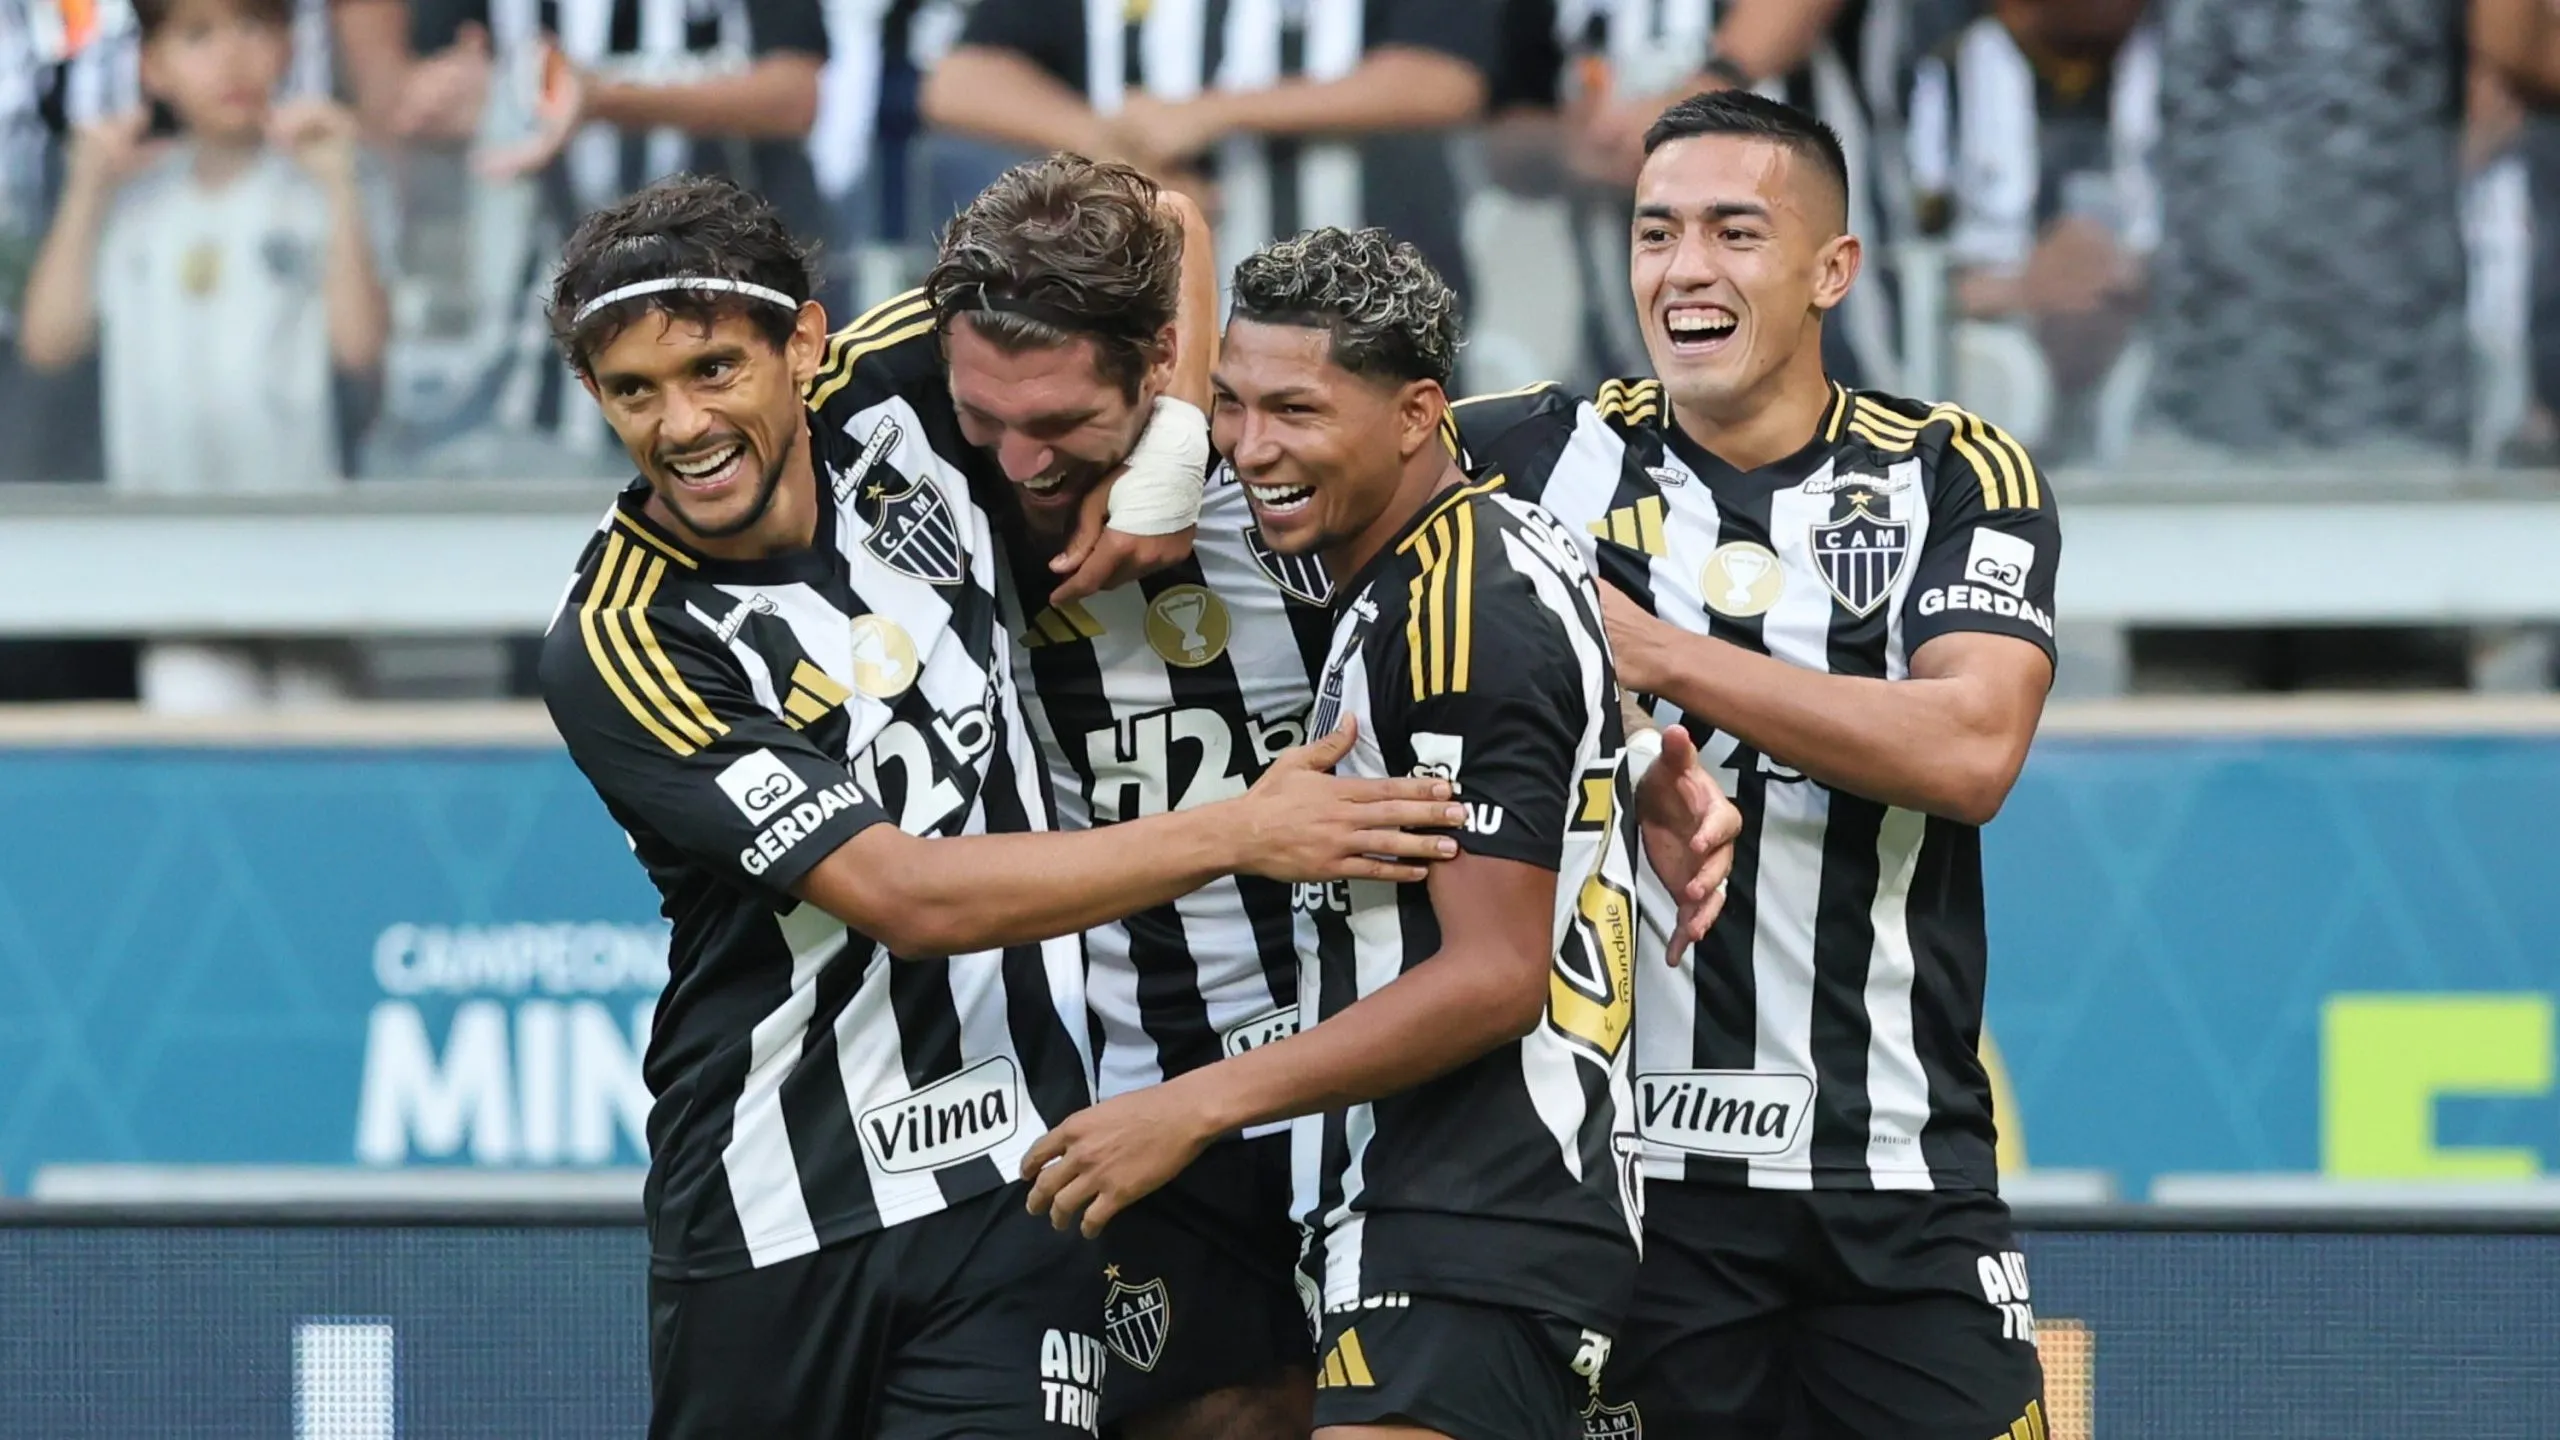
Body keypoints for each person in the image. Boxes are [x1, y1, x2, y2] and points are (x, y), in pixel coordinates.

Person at [534, 173, 1476, 1440]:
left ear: (804, 346)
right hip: (780, 1198)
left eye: (712, 369)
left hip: (1012, 1189)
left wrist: (1173, 443)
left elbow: (1161, 211)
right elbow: (904, 895)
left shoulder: (907, 389)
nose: (684, 422)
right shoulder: (621, 639)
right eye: (633, 392)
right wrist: (1240, 829)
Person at [934, 175, 1737, 1440]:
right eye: (1234, 409)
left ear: (1425, 416)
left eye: (1294, 410)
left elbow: (1491, 971)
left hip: (1459, 1189)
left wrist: (1192, 1103)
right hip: (1367, 1172)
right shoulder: (1411, 571)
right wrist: (1624, 757)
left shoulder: (1438, 585)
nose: (1251, 448)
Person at [1455, 90, 2062, 1439]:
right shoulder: (1524, 456)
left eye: (1736, 232)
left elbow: (1970, 750)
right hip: (1633, 1181)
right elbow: (1285, 431)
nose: (1686, 270)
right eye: (1656, 232)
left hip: (1900, 1171)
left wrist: (1654, 653)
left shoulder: (1953, 472)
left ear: (1831, 270)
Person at [16, 0, 388, 711]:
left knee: (332, 759)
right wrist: (88, 189)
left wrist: (338, 186)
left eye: (253, 28)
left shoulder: (317, 192)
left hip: (309, 553)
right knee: (198, 730)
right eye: (197, 36)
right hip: (171, 562)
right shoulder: (131, 205)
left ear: (286, 46)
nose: (230, 59)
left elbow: (359, 349)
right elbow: (48, 342)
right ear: (150, 67)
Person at [920, 0, 1499, 304]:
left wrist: (1212, 113)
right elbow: (960, 80)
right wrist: (1116, 153)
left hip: (1368, 309)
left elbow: (1442, 79)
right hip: (1153, 320)